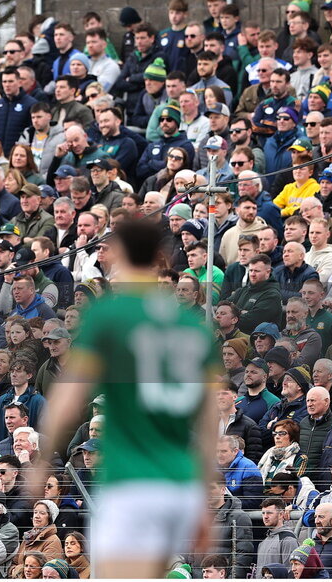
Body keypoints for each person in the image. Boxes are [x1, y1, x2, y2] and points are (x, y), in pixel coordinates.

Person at [37, 220, 218, 578]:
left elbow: (67, 399)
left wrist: (43, 460)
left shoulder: (109, 316)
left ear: (118, 254)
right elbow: (209, 418)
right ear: (162, 259)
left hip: (131, 479)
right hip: (179, 481)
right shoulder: (193, 326)